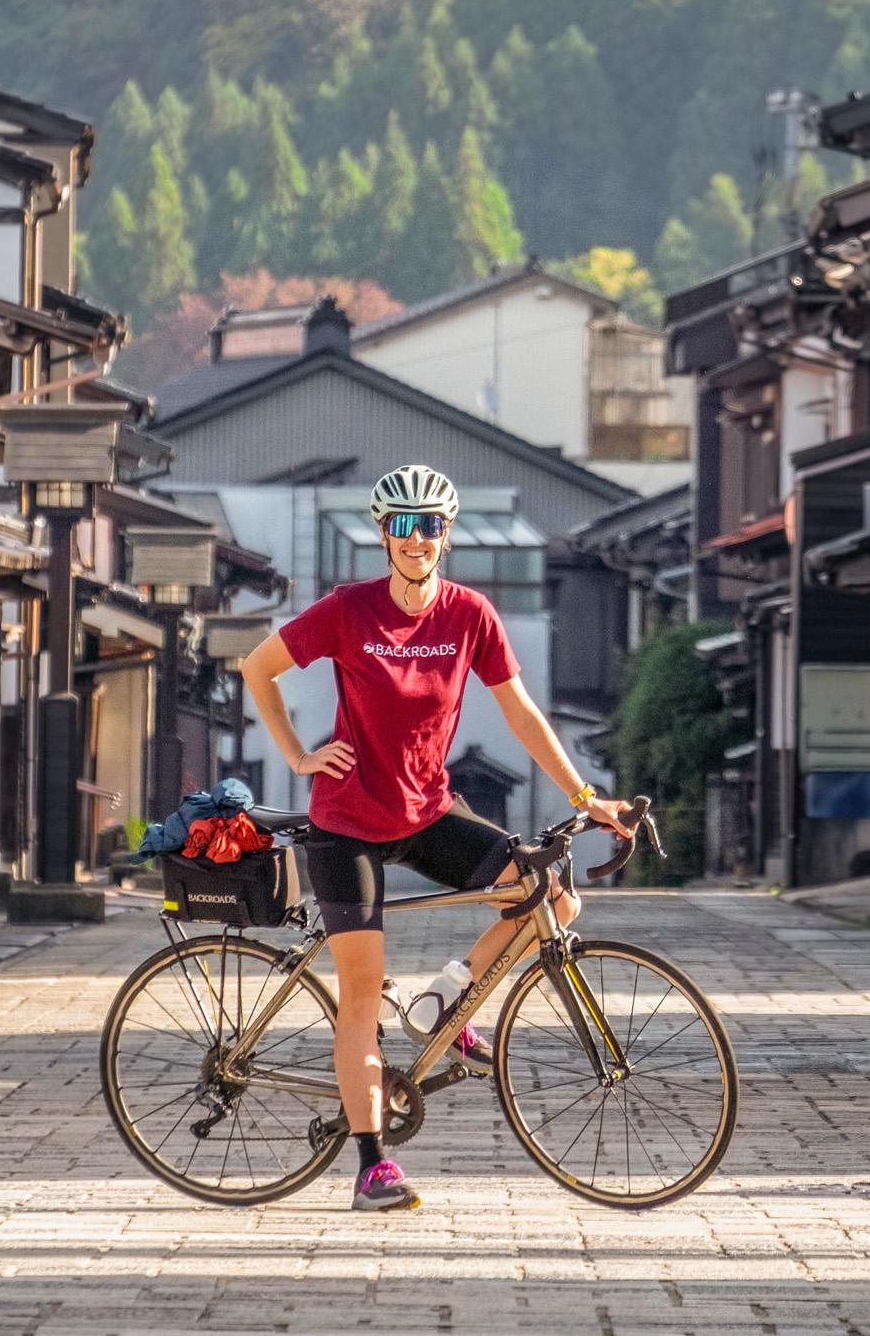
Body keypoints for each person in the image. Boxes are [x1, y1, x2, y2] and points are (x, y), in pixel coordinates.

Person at [240, 465, 633, 1214]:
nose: (417, 538)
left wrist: (585, 795)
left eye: (430, 525)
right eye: (402, 525)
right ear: (383, 533)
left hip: (425, 810)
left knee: (548, 893)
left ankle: (442, 1006)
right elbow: (258, 667)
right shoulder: (349, 610)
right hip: (346, 820)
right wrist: (296, 754)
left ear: (445, 533)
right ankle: (370, 1165)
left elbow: (520, 714)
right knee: (359, 988)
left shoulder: (469, 614)